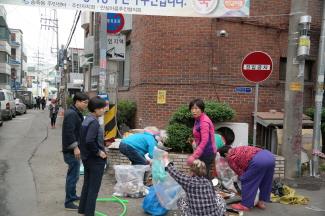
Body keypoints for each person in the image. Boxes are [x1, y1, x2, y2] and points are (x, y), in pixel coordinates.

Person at [218, 145, 275, 211]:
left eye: (224, 157)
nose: (225, 159)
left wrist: (239, 179)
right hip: (269, 156)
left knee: (247, 181)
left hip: (258, 161)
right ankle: (261, 202)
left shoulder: (230, 157)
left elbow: (241, 174)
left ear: (225, 154)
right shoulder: (238, 148)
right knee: (265, 181)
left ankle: (245, 205)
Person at [78, 96, 107, 216]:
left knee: (87, 184)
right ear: (95, 109)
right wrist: (99, 152)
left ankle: (82, 210)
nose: (104, 110)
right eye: (102, 108)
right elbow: (89, 140)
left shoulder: (86, 119)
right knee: (93, 189)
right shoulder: (94, 122)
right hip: (95, 160)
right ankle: (89, 213)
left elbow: (86, 139)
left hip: (86, 158)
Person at [62, 93, 89, 210]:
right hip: (71, 151)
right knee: (73, 176)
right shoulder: (72, 114)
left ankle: (72, 195)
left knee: (74, 175)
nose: (86, 105)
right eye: (85, 102)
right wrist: (75, 148)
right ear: (77, 101)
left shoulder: (75, 112)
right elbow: (69, 133)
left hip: (73, 149)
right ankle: (69, 201)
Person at [187, 99, 217, 178]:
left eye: (196, 108)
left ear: (202, 109)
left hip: (207, 152)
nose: (194, 111)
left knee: (203, 176)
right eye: (192, 108)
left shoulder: (204, 122)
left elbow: (205, 141)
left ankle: (208, 190)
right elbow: (198, 136)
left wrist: (194, 156)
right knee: (198, 174)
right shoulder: (198, 119)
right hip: (202, 151)